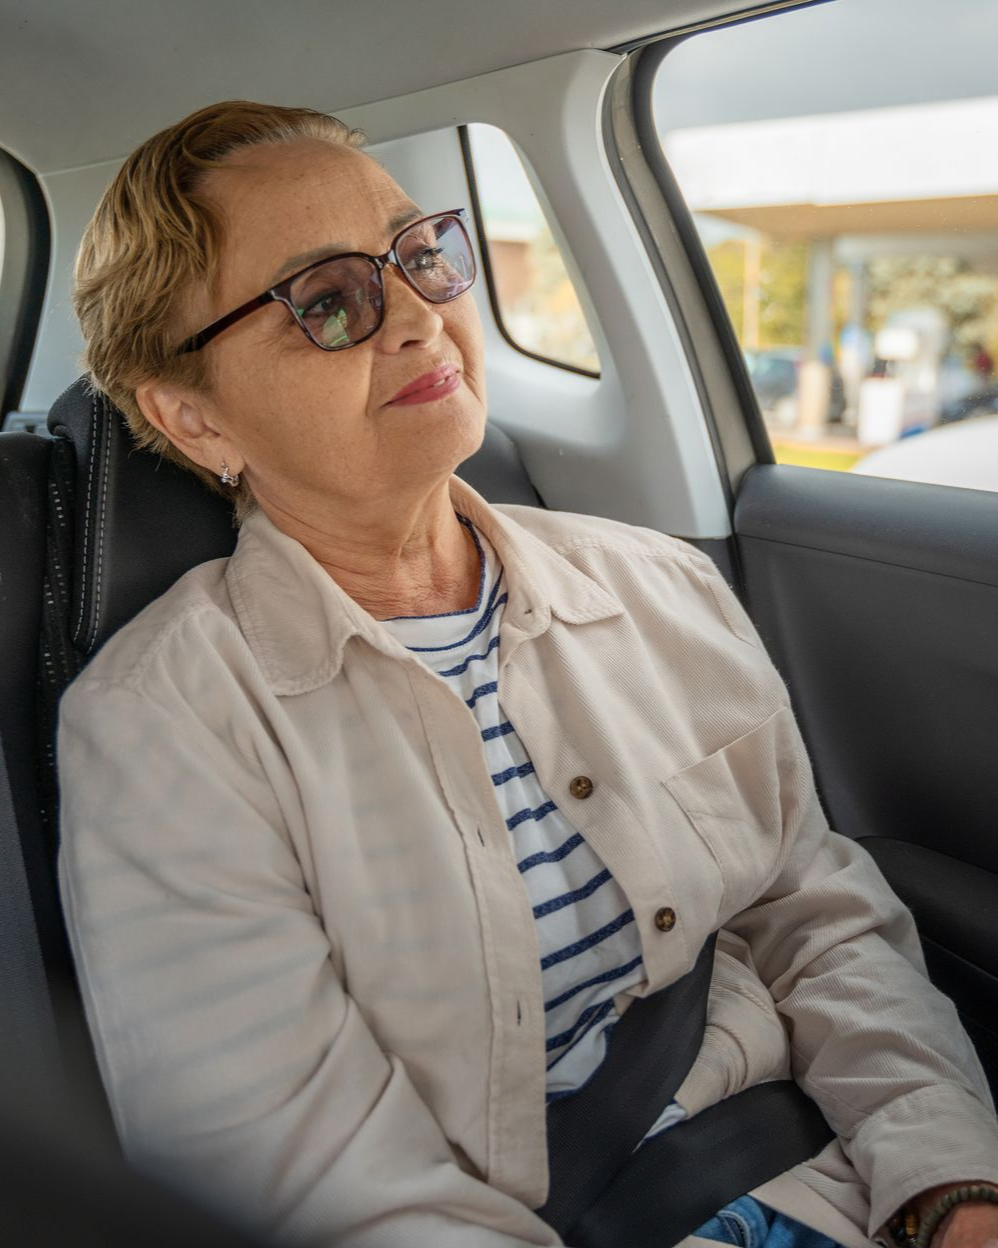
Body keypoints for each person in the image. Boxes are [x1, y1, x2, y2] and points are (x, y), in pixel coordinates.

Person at [58, 101, 998, 1248]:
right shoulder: (164, 727)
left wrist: (948, 1184)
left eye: (420, 255)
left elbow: (813, 916)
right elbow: (301, 1177)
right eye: (328, 301)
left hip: (825, 1170)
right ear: (193, 419)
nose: (417, 316)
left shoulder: (656, 587)